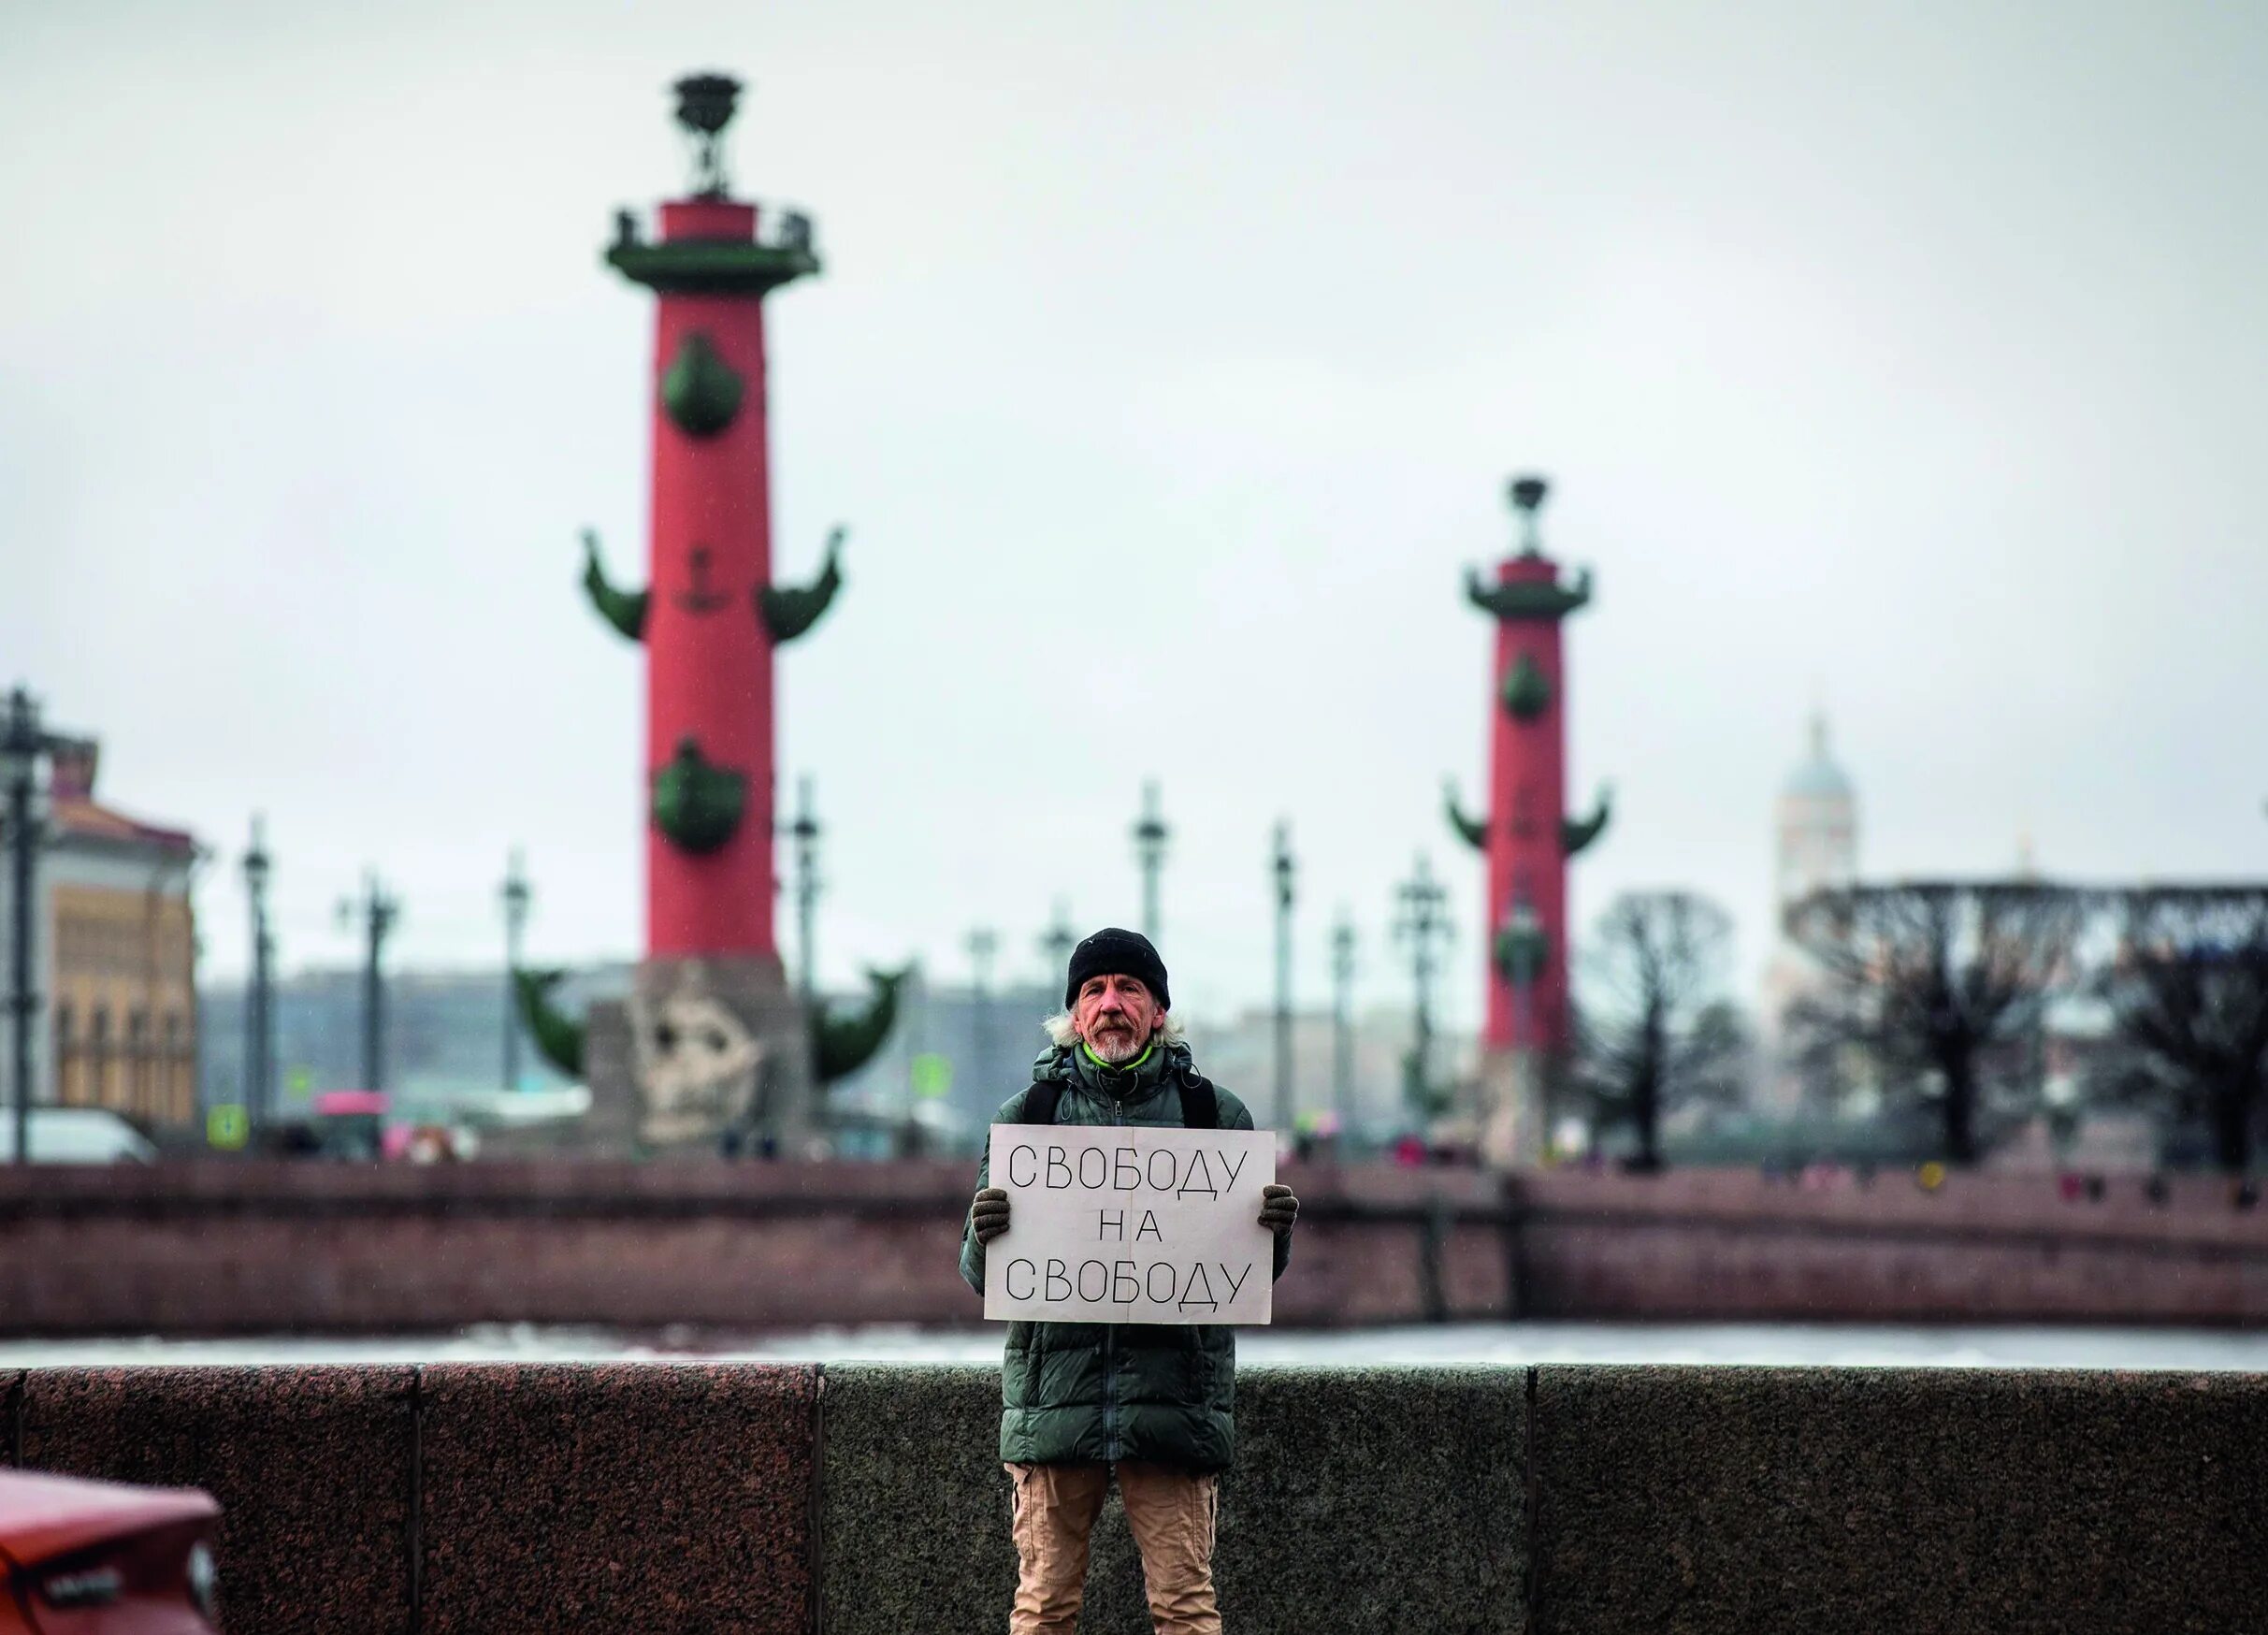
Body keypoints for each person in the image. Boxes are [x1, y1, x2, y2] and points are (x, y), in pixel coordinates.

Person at [960, 928, 1299, 1635]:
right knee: (1044, 1609)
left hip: (1173, 1405)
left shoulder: (1215, 1115)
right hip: (1055, 1406)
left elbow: (1249, 1275)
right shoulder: (1027, 1118)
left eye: (1128, 989)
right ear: (1074, 1015)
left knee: (1183, 1608)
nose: (1111, 1003)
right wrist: (981, 1230)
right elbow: (980, 1277)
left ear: (1157, 1012)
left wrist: (1273, 1227)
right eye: (1094, 991)